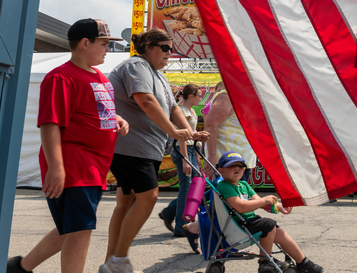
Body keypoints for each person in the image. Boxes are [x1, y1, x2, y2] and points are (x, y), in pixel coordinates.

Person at [7, 19, 129, 273]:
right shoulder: (60, 77)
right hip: (74, 165)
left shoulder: (97, 76)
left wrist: (116, 119)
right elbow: (50, 123)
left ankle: (20, 268)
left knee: (70, 227)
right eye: (105, 44)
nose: (109, 49)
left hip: (94, 167)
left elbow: (90, 109)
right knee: (80, 230)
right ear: (85, 43)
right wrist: (56, 167)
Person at [100, 29, 209, 273]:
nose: (170, 53)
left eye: (172, 49)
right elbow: (145, 100)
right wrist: (173, 131)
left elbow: (173, 108)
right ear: (148, 46)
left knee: (125, 203)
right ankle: (118, 260)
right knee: (148, 196)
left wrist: (189, 133)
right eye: (165, 47)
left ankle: (111, 262)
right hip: (130, 147)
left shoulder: (158, 76)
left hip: (146, 149)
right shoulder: (136, 65)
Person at [216, 151, 324, 273]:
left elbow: (260, 203)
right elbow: (240, 207)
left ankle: (303, 262)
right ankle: (265, 262)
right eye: (231, 165)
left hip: (249, 222)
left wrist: (278, 206)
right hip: (237, 226)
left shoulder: (244, 184)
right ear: (221, 171)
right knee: (268, 224)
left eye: (240, 166)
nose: (237, 168)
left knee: (279, 232)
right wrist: (263, 200)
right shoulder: (224, 186)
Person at [158, 84, 204, 237]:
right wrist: (185, 159)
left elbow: (191, 136)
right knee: (187, 188)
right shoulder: (182, 111)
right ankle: (181, 226)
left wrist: (196, 157)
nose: (200, 98)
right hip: (182, 150)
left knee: (192, 188)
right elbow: (182, 136)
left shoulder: (190, 111)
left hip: (190, 150)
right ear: (190, 96)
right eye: (199, 95)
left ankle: (169, 212)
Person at [203, 81, 256, 181]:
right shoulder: (226, 96)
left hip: (242, 159)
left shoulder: (243, 98)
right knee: (229, 194)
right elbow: (210, 124)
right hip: (228, 159)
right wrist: (212, 157)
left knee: (238, 194)